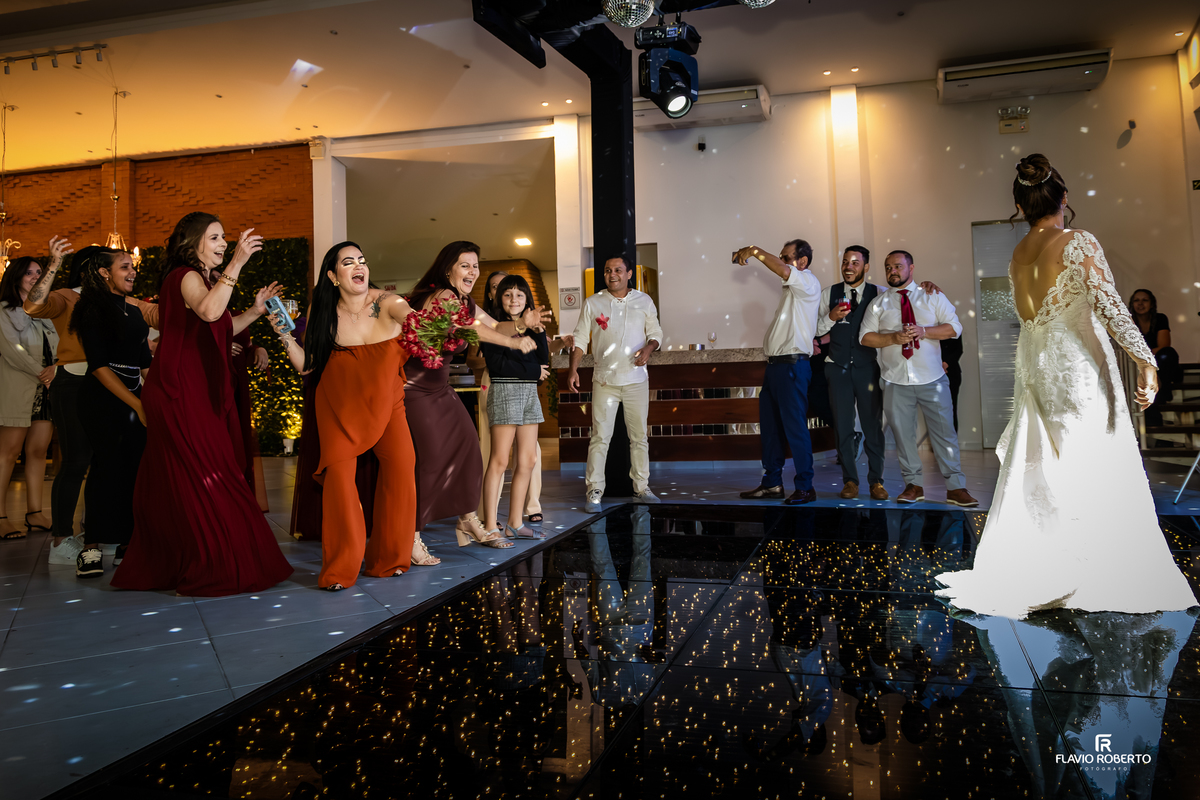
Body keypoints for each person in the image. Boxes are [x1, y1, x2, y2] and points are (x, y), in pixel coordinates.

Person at [935, 153, 1198, 617]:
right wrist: (1146, 360)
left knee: (1048, 461)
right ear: (1064, 198)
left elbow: (1029, 318)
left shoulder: (1017, 255)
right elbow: (1110, 305)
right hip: (1077, 369)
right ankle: (1098, 566)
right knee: (1093, 455)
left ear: (1021, 206)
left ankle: (1045, 559)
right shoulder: (1078, 241)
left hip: (1037, 369)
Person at [112, 212, 293, 595]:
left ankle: (189, 559)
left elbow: (222, 326)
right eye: (215, 237)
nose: (224, 243)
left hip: (193, 389)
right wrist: (237, 263)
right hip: (179, 391)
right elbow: (211, 312)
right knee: (208, 475)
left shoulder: (204, 282)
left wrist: (257, 310)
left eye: (224, 238)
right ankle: (214, 562)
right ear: (192, 242)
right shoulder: (185, 276)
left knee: (200, 475)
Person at [273, 242, 422, 590]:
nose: (359, 266)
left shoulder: (388, 302)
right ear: (332, 275)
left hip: (387, 402)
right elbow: (308, 365)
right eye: (349, 262)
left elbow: (415, 321)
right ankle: (340, 570)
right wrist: (284, 335)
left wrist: (429, 326)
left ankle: (390, 559)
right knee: (340, 482)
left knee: (402, 468)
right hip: (337, 406)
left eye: (362, 261)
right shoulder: (323, 310)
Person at [25, 241, 161, 565]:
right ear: (98, 270)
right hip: (76, 382)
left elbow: (156, 317)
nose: (129, 271)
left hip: (117, 384)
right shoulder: (68, 297)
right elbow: (32, 306)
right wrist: (54, 263)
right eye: (119, 265)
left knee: (113, 463)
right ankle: (62, 540)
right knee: (77, 461)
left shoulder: (125, 302)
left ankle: (105, 534)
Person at [405, 241, 542, 552]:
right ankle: (411, 534)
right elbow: (469, 329)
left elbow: (494, 325)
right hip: (415, 388)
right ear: (448, 269)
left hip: (440, 388)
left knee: (469, 449)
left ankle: (467, 519)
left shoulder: (464, 300)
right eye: (465, 265)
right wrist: (514, 342)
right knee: (429, 461)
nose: (472, 271)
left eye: (475, 266)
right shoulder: (443, 295)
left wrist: (522, 324)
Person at [860, 251, 977, 507]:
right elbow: (865, 337)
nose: (892, 271)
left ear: (911, 268)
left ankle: (956, 488)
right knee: (903, 437)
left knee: (945, 435)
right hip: (894, 380)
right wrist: (892, 338)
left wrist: (924, 331)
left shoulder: (932, 295)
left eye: (898, 266)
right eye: (888, 267)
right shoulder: (878, 304)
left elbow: (954, 327)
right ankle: (913, 485)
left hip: (932, 379)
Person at [69, 246, 152, 575]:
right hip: (101, 398)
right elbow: (99, 366)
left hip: (134, 394)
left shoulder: (134, 310)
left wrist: (157, 397)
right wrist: (137, 404)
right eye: (124, 267)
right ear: (104, 273)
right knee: (106, 467)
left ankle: (127, 541)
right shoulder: (92, 308)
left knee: (136, 467)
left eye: (133, 267)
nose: (132, 272)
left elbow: (145, 363)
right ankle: (91, 545)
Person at [567, 256, 663, 513]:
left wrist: (649, 348)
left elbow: (656, 333)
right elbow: (579, 338)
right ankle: (594, 491)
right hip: (604, 381)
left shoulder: (644, 300)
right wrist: (573, 369)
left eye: (618, 270)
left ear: (629, 273)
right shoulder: (593, 302)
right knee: (600, 437)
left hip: (636, 380)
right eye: (608, 270)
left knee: (639, 437)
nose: (612, 274)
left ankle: (641, 487)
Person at [733, 240, 821, 506]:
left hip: (792, 367)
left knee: (795, 429)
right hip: (775, 367)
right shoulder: (791, 291)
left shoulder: (807, 281)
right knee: (770, 429)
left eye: (786, 257)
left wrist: (754, 250)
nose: (781, 261)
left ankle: (805, 486)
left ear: (802, 262)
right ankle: (772, 483)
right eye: (781, 257)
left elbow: (783, 270)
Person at [467, 270, 547, 523]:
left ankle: (515, 523)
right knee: (500, 461)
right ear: (499, 297)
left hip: (529, 393)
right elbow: (498, 366)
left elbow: (542, 359)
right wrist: (533, 371)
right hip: (504, 390)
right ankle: (490, 524)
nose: (514, 299)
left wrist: (537, 329)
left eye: (520, 295)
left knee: (528, 460)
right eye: (508, 294)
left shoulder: (531, 326)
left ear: (527, 299)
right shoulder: (494, 325)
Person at [815, 245, 888, 501]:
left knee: (872, 427)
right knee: (843, 426)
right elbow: (815, 329)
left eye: (855, 262)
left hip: (868, 368)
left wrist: (926, 288)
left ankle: (876, 481)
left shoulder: (880, 293)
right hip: (837, 367)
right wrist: (831, 317)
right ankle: (850, 481)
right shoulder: (829, 294)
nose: (849, 266)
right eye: (846, 261)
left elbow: (904, 304)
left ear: (866, 267)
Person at [0, 256, 58, 540]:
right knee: (8, 453)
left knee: (38, 451)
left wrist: (56, 368)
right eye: (29, 273)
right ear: (16, 277)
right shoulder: (4, 310)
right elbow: (13, 349)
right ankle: (0, 517)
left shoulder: (47, 310)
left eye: (39, 272)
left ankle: (35, 513)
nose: (36, 276)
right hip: (19, 386)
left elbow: (60, 345)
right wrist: (42, 373)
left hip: (46, 389)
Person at [210, 265, 270, 508]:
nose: (219, 283)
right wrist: (221, 348)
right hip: (213, 386)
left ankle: (240, 497)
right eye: (213, 280)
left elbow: (245, 345)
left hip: (238, 385)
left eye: (222, 279)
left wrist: (258, 349)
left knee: (239, 441)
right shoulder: (202, 315)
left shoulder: (235, 314)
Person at [1128, 288, 1178, 428]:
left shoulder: (1160, 318)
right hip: (1139, 362)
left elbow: (1163, 345)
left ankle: (1160, 387)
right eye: (1136, 300)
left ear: (1151, 304)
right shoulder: (1129, 321)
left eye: (1145, 300)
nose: (1140, 303)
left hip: (1159, 361)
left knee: (1167, 353)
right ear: (1132, 304)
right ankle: (1157, 393)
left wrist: (1147, 360)